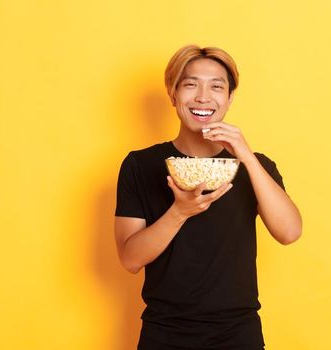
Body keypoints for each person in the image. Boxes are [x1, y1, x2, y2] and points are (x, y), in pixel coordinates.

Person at [114, 44, 303, 349]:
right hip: (164, 333)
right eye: (191, 84)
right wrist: (180, 211)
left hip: (238, 334)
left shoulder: (257, 166)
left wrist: (245, 154)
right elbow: (130, 259)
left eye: (216, 86)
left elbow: (290, 232)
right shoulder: (140, 164)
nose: (203, 96)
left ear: (229, 98)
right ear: (173, 94)